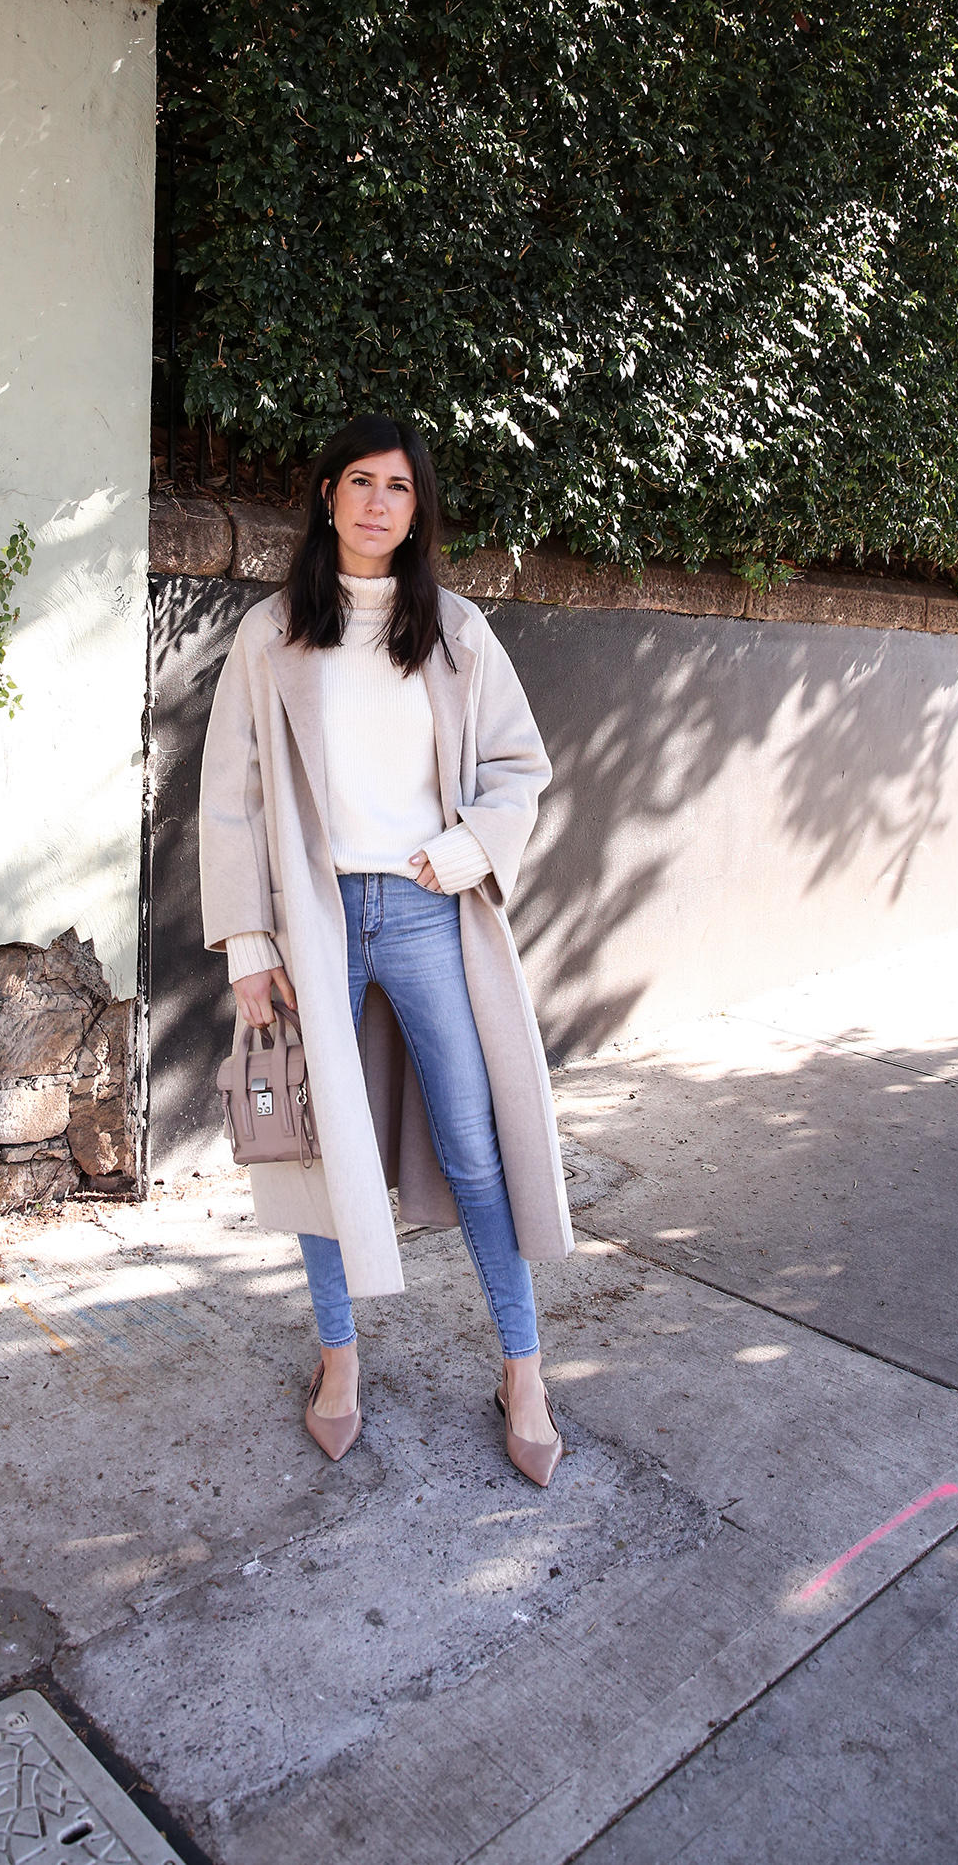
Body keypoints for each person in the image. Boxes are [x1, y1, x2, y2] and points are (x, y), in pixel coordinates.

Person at [198, 415, 574, 1487]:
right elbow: (228, 800)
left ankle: (525, 1368)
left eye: (398, 487)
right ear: (327, 497)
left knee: (473, 1141)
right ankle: (338, 1361)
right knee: (318, 1146)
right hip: (311, 923)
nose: (376, 502)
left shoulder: (457, 630)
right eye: (358, 482)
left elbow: (519, 765)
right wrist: (249, 946)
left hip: (420, 911)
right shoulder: (272, 635)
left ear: (418, 510)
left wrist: (466, 851)